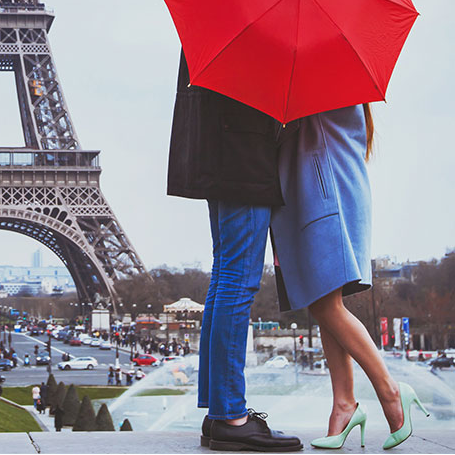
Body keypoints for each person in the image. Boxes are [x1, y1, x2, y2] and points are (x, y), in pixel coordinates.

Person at [271, 105, 429, 450]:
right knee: (324, 302)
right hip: (327, 191)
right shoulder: (340, 84)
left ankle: (390, 390)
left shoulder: (321, 83)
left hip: (322, 195)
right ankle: (344, 403)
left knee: (326, 307)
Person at [167, 51, 302, 452]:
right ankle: (229, 415)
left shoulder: (219, 18)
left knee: (225, 277)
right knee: (237, 282)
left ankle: (220, 412)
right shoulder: (255, 25)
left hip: (224, 152)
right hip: (243, 155)